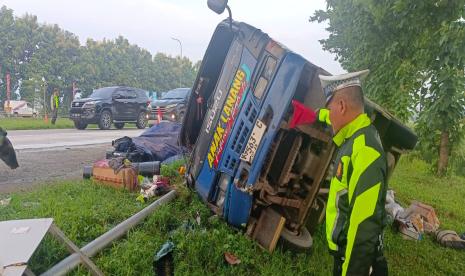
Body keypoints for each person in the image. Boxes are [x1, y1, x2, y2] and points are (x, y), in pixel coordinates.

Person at [316, 70, 388, 276]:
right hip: (344, 255)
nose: (328, 115)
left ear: (341, 106)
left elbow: (364, 227)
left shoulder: (365, 150)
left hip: (358, 263)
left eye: (328, 108)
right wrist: (314, 114)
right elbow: (328, 117)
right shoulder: (356, 133)